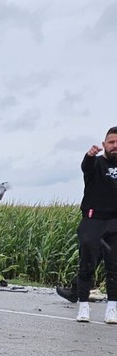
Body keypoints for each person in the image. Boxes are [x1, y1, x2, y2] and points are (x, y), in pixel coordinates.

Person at [74, 127, 117, 323]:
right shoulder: (96, 163)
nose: (115, 146)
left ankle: (112, 309)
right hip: (93, 220)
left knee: (114, 267)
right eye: (111, 142)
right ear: (104, 144)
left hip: (114, 222)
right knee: (87, 264)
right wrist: (89, 156)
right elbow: (86, 167)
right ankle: (83, 306)